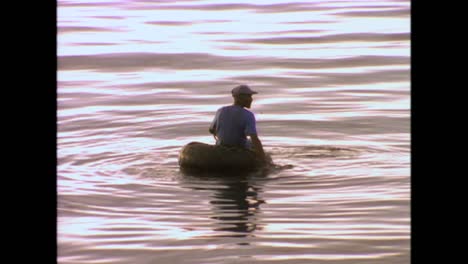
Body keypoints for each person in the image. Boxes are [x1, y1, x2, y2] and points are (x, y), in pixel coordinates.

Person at [209, 84, 267, 163]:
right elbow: (254, 139)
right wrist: (264, 160)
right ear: (239, 98)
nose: (251, 99)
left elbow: (211, 130)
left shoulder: (221, 110)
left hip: (221, 147)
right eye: (248, 96)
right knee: (251, 142)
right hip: (238, 149)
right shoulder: (248, 115)